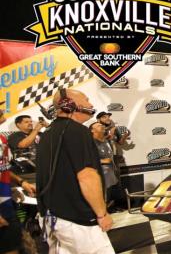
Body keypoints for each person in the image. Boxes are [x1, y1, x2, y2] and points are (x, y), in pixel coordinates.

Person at [36, 89, 114, 253]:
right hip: (78, 221)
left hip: (53, 218)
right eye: (86, 100)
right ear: (70, 105)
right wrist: (101, 214)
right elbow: (87, 176)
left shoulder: (48, 133)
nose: (91, 104)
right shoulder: (78, 132)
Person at [0, 106, 37, 254]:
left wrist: (21, 182)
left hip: (6, 201)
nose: (2, 109)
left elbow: (4, 169)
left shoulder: (2, 138)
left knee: (13, 245)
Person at [89, 122, 119, 210]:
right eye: (98, 126)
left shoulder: (106, 140)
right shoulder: (90, 143)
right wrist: (102, 161)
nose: (102, 126)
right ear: (92, 130)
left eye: (102, 125)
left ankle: (108, 209)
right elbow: (86, 159)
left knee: (109, 193)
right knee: (101, 194)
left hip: (110, 173)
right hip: (99, 174)